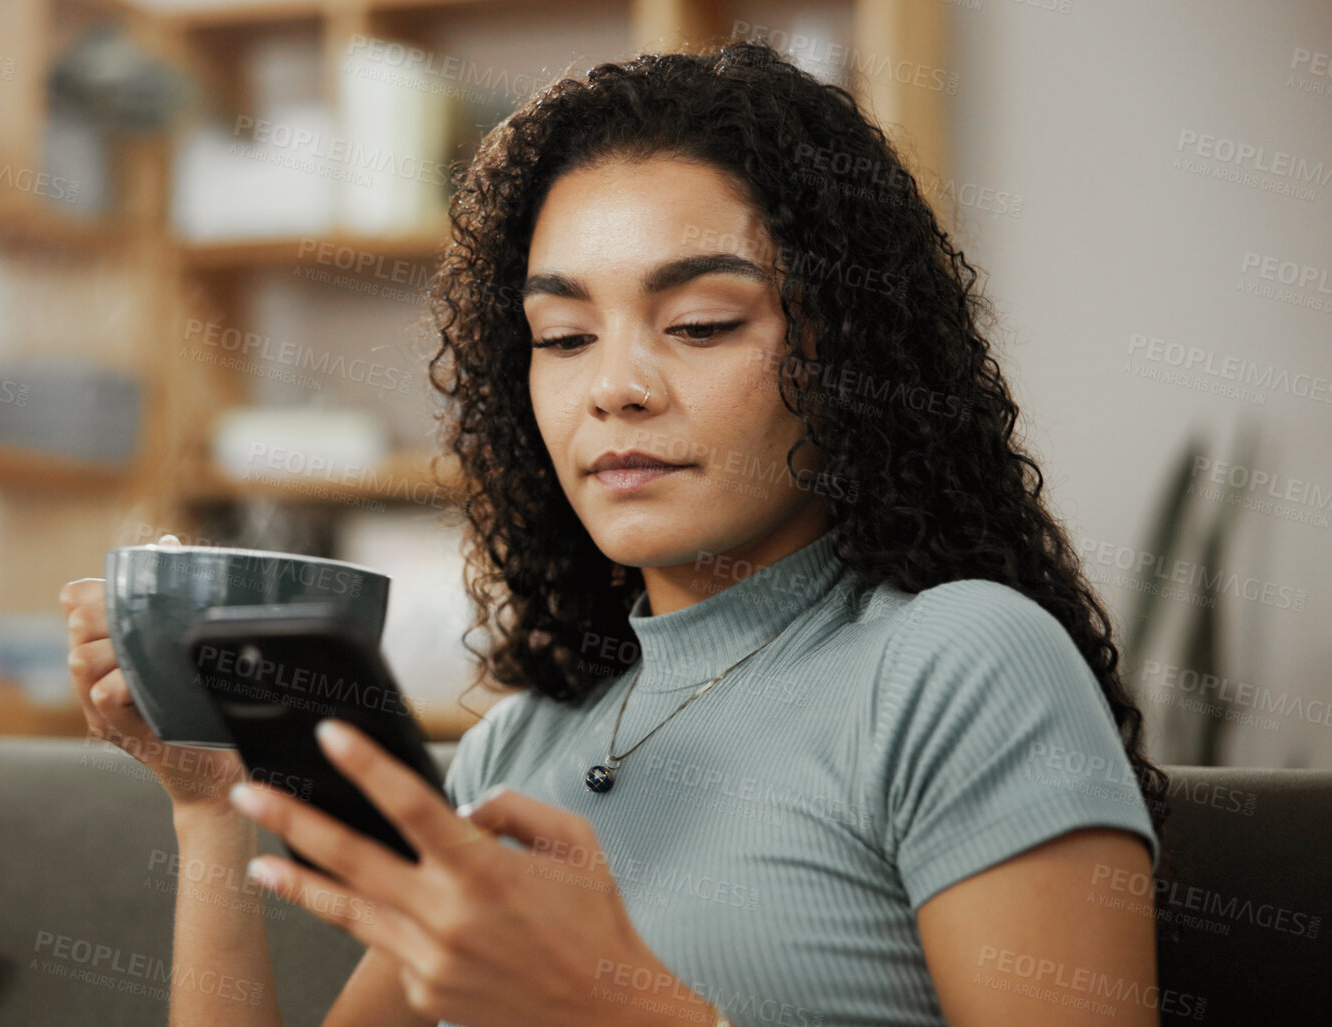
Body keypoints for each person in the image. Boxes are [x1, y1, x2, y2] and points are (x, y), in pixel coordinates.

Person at [59, 41, 1167, 1027]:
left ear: (850, 353)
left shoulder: (960, 664)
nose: (615, 389)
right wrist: (210, 807)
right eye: (563, 334)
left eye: (698, 325)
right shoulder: (521, 743)